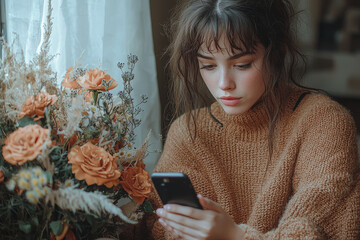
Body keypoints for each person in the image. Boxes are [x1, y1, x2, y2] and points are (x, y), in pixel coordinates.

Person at [130, 0, 360, 239]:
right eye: (208, 66)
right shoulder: (189, 132)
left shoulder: (323, 121)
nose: (223, 84)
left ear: (276, 53)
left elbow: (324, 229)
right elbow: (154, 224)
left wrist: (233, 236)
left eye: (242, 64)